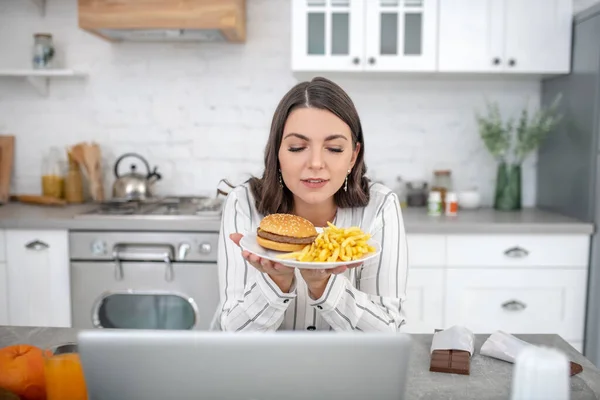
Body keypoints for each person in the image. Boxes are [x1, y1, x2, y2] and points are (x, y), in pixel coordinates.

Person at [212, 77, 408, 332]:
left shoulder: (380, 207)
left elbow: (389, 332)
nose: (316, 162)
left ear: (353, 156)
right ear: (277, 153)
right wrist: (277, 282)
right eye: (297, 147)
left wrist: (324, 286)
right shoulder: (243, 203)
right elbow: (233, 334)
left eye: (334, 148)